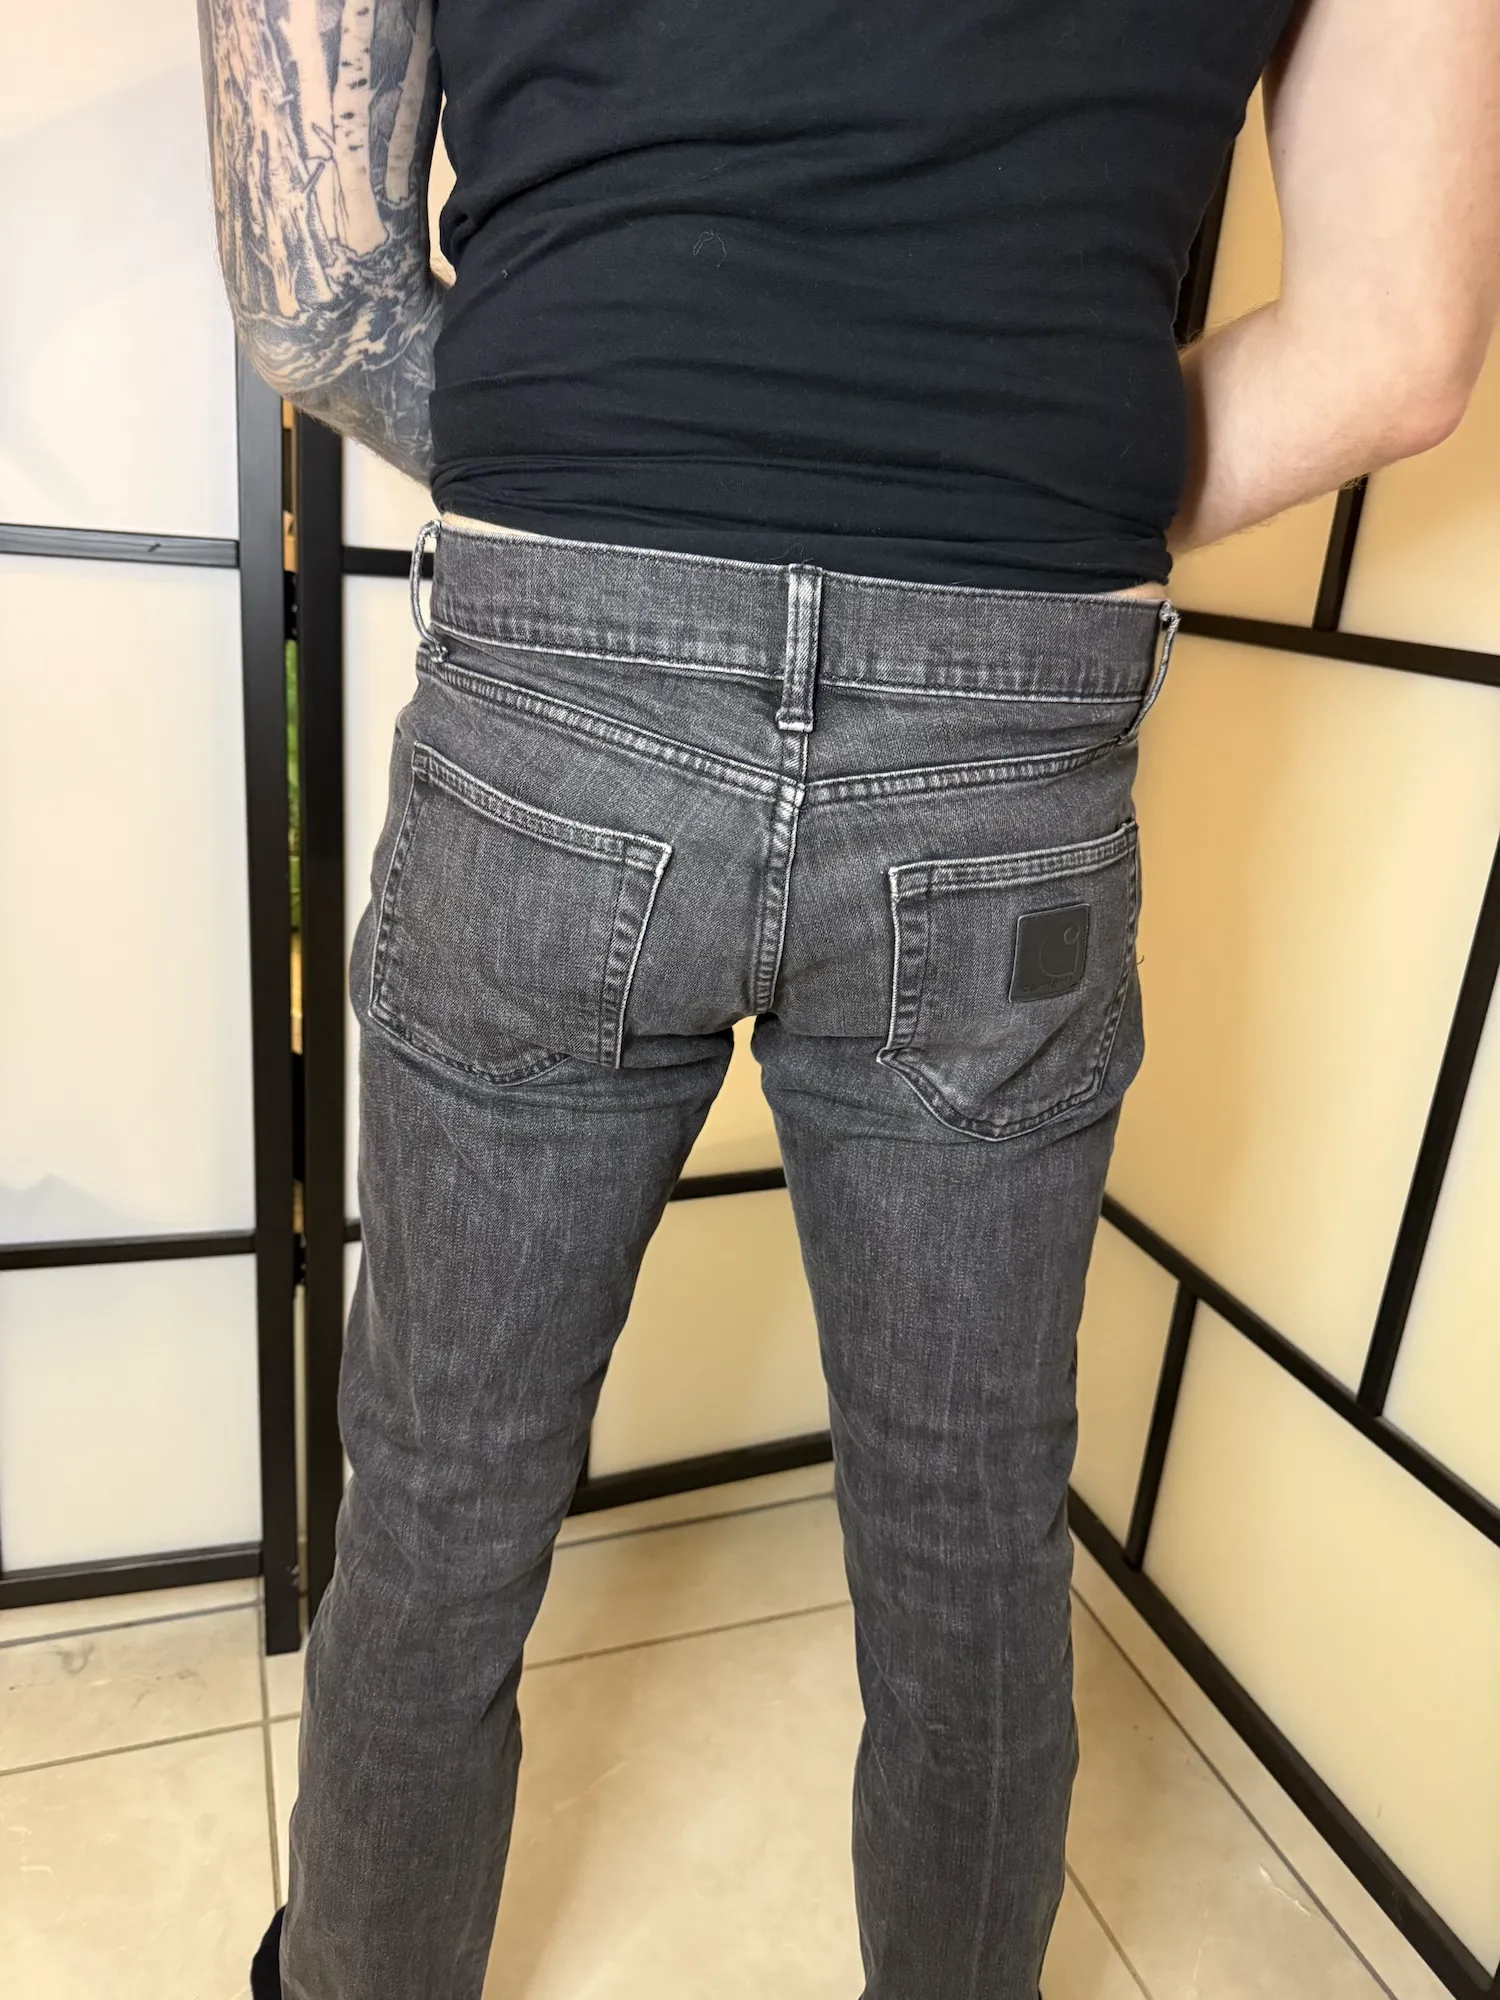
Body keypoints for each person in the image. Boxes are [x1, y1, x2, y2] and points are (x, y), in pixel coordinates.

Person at [195, 1, 1500, 1994]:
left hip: (565, 682)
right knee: (968, 1537)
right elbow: (1401, 350)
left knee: (441, 1497)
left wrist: (625, 481)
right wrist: (993, 494)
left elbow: (310, 294)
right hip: (1010, 723)